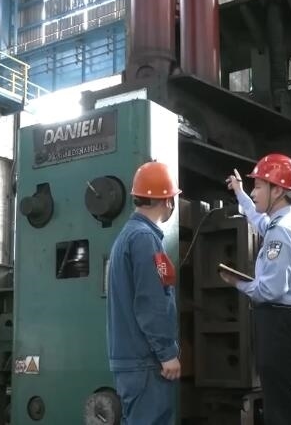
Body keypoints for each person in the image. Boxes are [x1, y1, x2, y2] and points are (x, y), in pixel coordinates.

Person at [221, 153, 291, 425]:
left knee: (283, 413)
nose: (253, 192)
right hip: (285, 325)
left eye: (258, 186)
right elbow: (257, 219)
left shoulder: (280, 232)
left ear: (278, 190)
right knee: (284, 406)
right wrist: (239, 192)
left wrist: (236, 282)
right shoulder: (283, 221)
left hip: (280, 326)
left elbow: (270, 291)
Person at [106, 160, 182, 425]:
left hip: (133, 362)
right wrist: (167, 353)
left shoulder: (127, 237)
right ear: (168, 201)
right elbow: (152, 302)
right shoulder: (144, 239)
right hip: (145, 363)